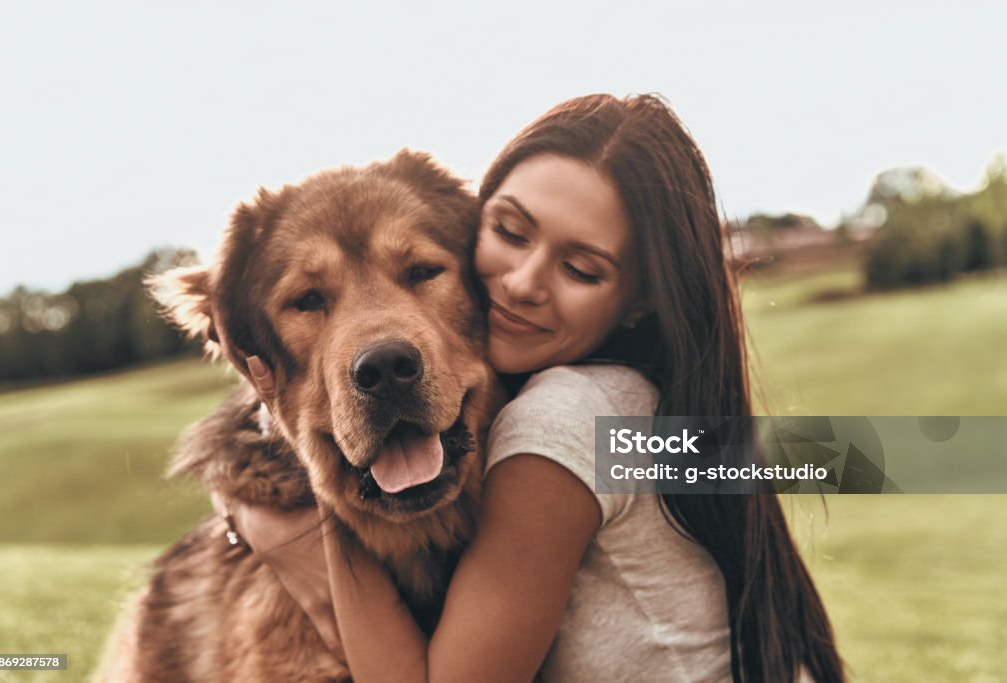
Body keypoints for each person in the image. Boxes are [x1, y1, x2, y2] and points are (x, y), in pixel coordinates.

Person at [218, 93, 845, 682]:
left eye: (581, 268)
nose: (521, 283)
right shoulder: (645, 402)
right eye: (512, 232)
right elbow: (865, 454)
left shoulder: (563, 418)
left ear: (640, 301)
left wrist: (306, 508)